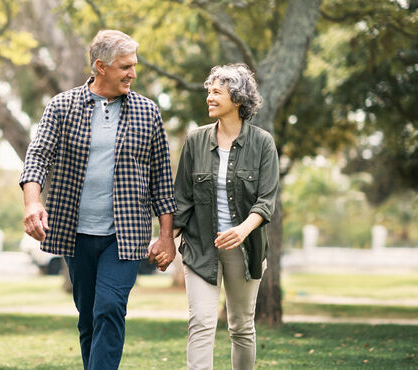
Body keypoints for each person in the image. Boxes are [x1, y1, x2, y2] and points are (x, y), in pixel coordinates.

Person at [19, 29, 177, 370]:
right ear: (100, 66)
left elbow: (163, 179)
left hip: (126, 235)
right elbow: (38, 156)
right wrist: (32, 202)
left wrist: (166, 236)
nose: (133, 73)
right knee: (89, 316)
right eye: (125, 67)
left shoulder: (147, 113)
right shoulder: (62, 106)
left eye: (134, 66)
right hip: (75, 233)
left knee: (109, 308)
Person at [158, 63, 279, 369]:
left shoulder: (262, 142)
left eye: (217, 92)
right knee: (200, 322)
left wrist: (242, 230)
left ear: (237, 100)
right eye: (208, 91)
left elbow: (266, 201)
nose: (209, 97)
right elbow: (182, 200)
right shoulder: (196, 140)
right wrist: (164, 240)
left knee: (241, 327)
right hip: (200, 247)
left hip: (244, 249)